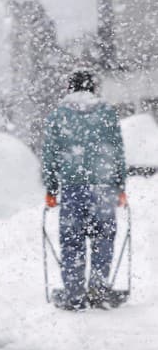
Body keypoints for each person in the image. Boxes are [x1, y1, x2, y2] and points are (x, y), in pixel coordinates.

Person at [42, 70, 127, 311]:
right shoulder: (107, 113)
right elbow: (117, 151)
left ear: (70, 88)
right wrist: (120, 186)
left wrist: (51, 187)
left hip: (72, 188)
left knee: (72, 241)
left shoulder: (58, 116)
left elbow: (50, 154)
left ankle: (74, 294)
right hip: (103, 187)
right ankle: (99, 291)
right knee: (103, 239)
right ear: (93, 88)